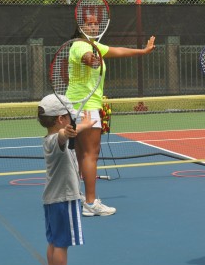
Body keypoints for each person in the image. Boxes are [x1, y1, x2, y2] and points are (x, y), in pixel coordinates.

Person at [67, 15, 156, 216]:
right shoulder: (81, 46)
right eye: (88, 23)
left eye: (95, 22)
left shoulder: (95, 46)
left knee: (82, 155)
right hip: (86, 106)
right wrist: (92, 60)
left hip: (78, 105)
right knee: (91, 154)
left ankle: (79, 196)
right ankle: (90, 203)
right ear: (80, 27)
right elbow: (87, 58)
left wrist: (143, 51)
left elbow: (118, 50)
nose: (93, 25)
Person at [37, 94, 96, 265]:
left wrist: (84, 126)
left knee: (53, 242)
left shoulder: (50, 138)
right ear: (61, 120)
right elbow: (62, 136)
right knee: (62, 243)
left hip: (52, 199)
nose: (73, 119)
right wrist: (68, 132)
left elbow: (66, 132)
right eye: (69, 116)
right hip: (64, 199)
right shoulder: (57, 140)